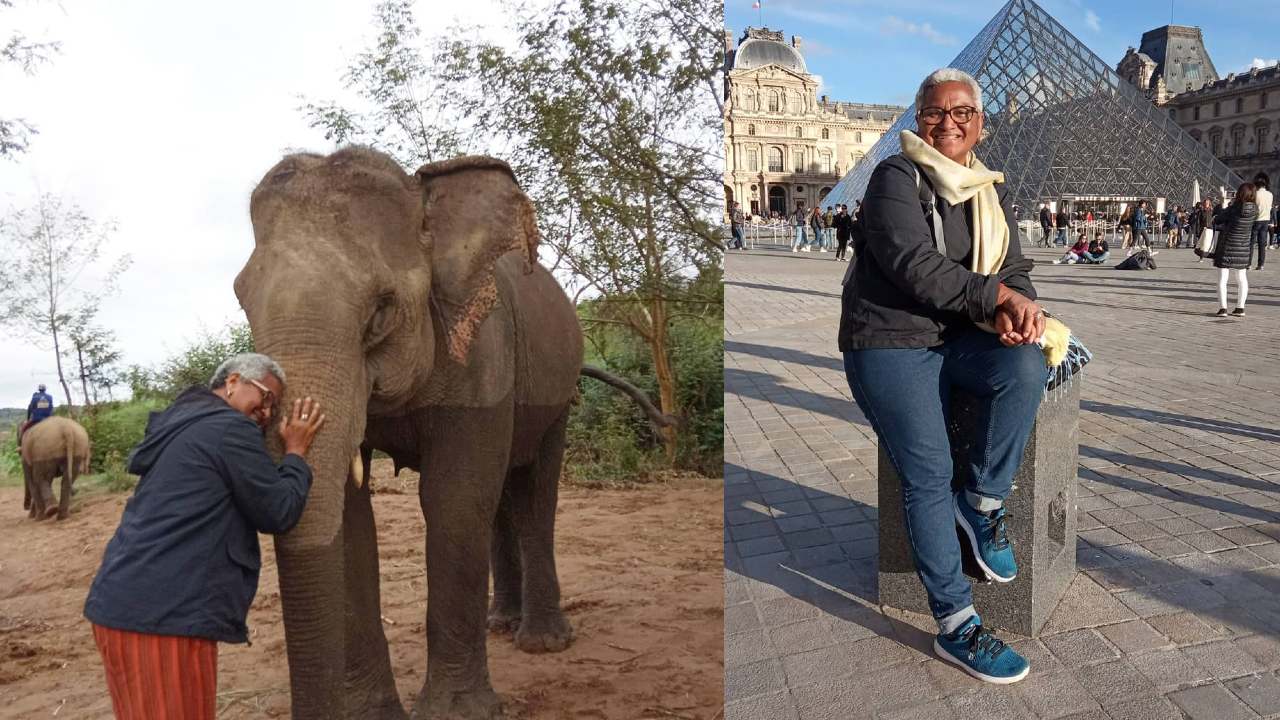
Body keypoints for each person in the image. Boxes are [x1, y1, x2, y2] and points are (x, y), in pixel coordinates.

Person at [839, 68, 1052, 685]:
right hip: (887, 340)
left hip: (955, 338)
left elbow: (1013, 265)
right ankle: (957, 624)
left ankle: (983, 501)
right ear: (917, 119)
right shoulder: (894, 178)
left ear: (980, 122)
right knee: (927, 472)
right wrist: (997, 299)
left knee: (1025, 362)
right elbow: (914, 264)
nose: (949, 123)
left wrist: (1026, 312)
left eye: (962, 112)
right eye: (935, 112)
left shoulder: (988, 188)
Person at [84, 353, 326, 718]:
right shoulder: (229, 429)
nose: (266, 413)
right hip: (164, 618)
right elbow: (278, 511)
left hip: (124, 608)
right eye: (265, 397)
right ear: (232, 382)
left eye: (275, 408)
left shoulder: (183, 424)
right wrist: (294, 453)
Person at [1211, 182, 1260, 316]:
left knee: (1222, 278)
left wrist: (1223, 204)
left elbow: (1218, 219)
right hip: (1243, 248)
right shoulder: (1255, 210)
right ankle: (1240, 308)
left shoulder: (1234, 208)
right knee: (1242, 278)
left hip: (1227, 246)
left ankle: (1223, 308)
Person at [1252, 173, 1272, 270]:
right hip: (1266, 220)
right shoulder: (1270, 194)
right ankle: (1261, 264)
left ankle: (1248, 263)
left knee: (1251, 242)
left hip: (1256, 220)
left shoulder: (1256, 194)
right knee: (1262, 244)